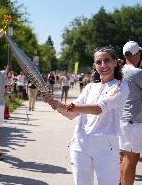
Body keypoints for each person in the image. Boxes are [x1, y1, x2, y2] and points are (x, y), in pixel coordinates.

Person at [42, 46, 130, 185]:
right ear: (95, 66)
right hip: (81, 145)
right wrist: (55, 104)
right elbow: (72, 114)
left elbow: (98, 109)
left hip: (106, 147)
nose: (103, 65)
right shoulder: (90, 87)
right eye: (98, 62)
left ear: (115, 63)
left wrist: (66, 106)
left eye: (107, 60)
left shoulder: (120, 85)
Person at [119, 41, 142, 185]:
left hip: (122, 120)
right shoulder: (137, 73)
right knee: (132, 160)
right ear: (136, 54)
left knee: (123, 158)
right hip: (134, 122)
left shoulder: (119, 71)